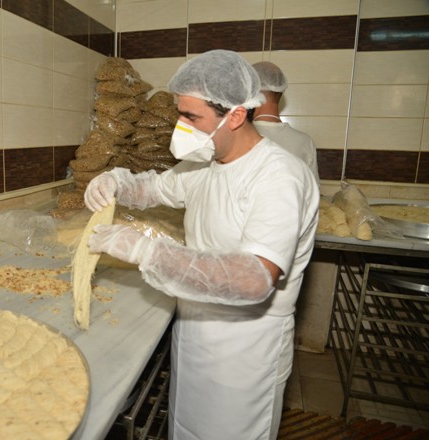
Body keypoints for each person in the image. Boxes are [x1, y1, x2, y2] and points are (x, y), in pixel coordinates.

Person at [83, 50, 319, 439]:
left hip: (245, 349)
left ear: (236, 116)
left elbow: (254, 278)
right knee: (186, 429)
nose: (181, 127)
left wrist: (147, 251)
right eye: (181, 114)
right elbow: (155, 188)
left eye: (191, 117)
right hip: (195, 332)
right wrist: (116, 182)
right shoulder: (205, 165)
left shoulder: (278, 177)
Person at [252, 61, 320, 182]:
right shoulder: (304, 141)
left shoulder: (238, 137)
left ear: (251, 93)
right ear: (280, 92)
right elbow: (312, 190)